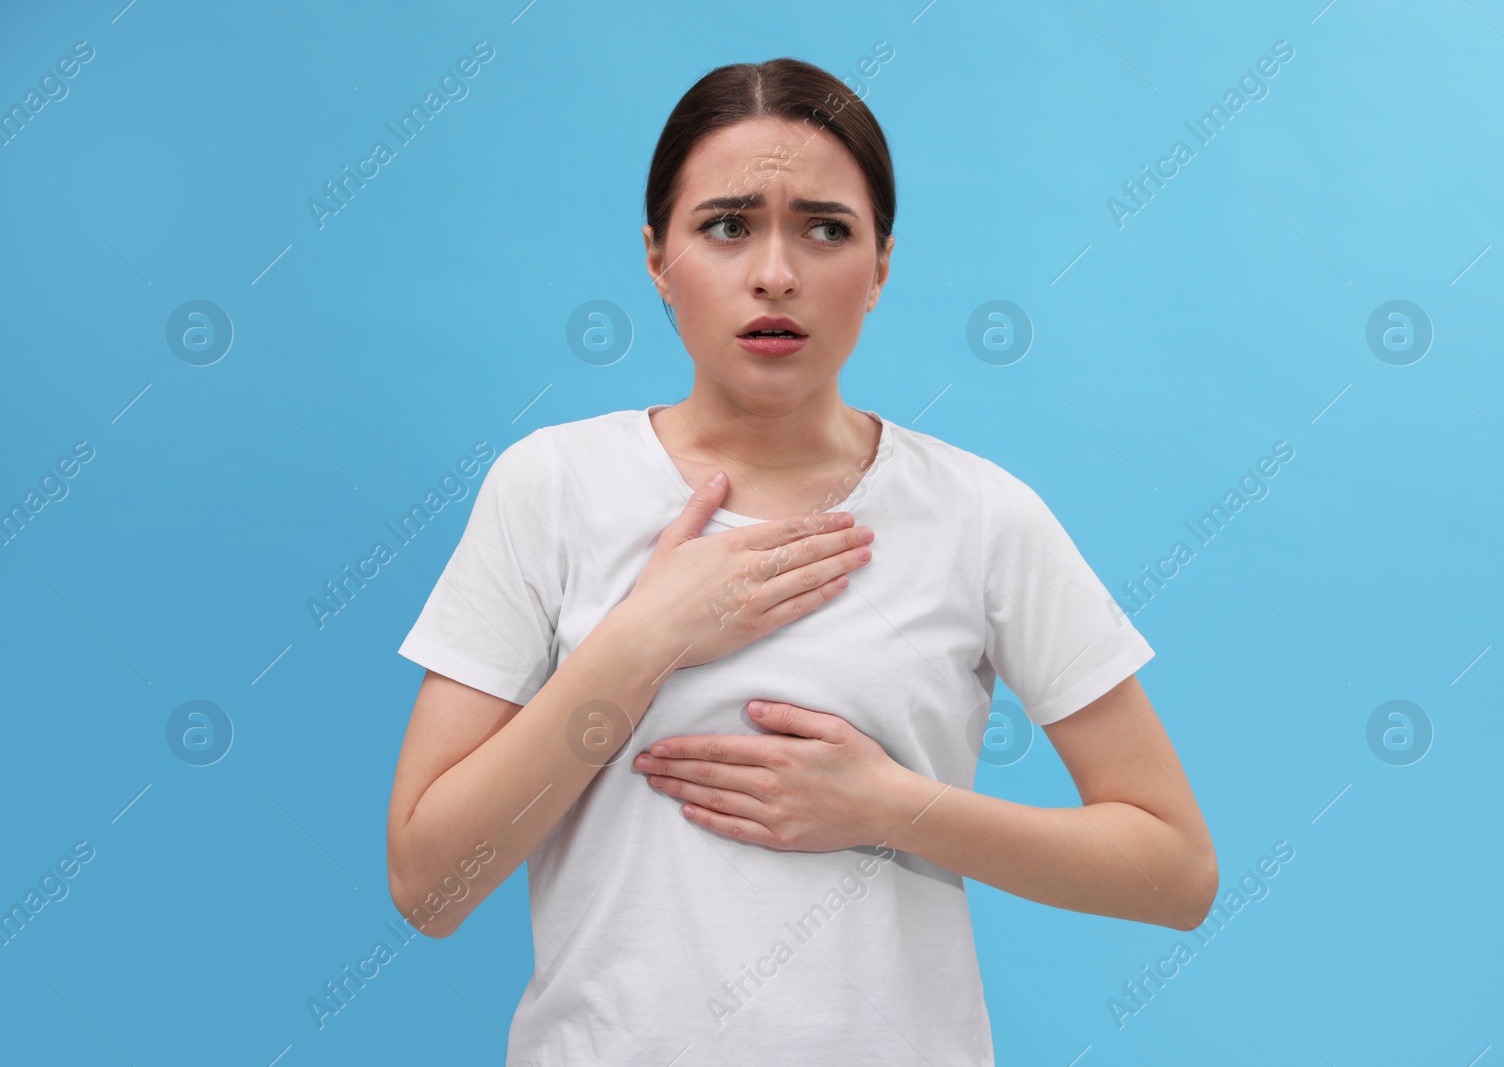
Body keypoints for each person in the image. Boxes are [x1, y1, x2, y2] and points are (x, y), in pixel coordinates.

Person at [386, 57, 1217, 1066]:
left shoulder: (982, 514)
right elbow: (429, 884)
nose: (774, 272)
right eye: (727, 224)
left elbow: (1173, 871)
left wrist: (892, 806)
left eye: (825, 228)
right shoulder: (550, 485)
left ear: (879, 267)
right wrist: (645, 637)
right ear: (656, 258)